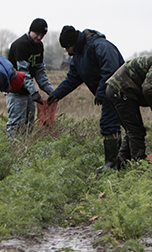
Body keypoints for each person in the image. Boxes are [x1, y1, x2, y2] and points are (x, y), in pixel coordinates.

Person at [47, 25, 124, 170]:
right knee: (113, 125)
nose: (66, 51)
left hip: (118, 91)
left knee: (109, 124)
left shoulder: (100, 46)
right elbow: (73, 78)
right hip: (107, 92)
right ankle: (120, 162)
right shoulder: (77, 56)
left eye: (66, 47)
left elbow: (111, 70)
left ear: (73, 44)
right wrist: (57, 94)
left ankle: (113, 164)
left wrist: (101, 92)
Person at [6, 18, 54, 138]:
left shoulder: (39, 46)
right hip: (15, 90)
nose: (39, 37)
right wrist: (34, 92)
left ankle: (25, 151)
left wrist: (51, 91)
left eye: (42, 35)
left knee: (29, 124)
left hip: (28, 92)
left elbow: (39, 70)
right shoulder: (20, 45)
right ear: (31, 30)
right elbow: (23, 73)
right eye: (37, 34)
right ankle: (12, 151)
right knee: (16, 124)